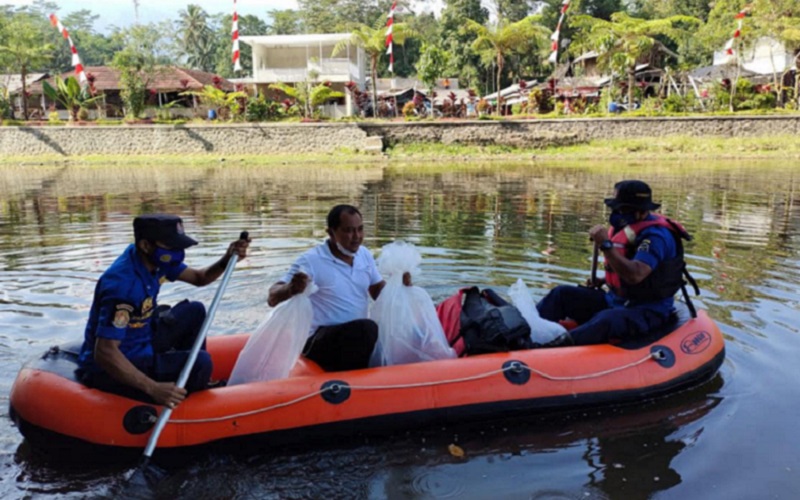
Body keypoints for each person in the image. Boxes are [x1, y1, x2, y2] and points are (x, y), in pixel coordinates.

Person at [76, 214, 249, 409]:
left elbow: (199, 278)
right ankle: (186, 398)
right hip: (120, 363)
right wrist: (152, 388)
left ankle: (190, 380)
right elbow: (105, 352)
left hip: (142, 339)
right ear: (146, 245)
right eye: (172, 247)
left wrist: (227, 259)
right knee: (201, 362)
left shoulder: (155, 261)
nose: (178, 253)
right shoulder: (123, 287)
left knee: (195, 311)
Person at [536, 180, 692, 346]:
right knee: (561, 294)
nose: (617, 213)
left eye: (622, 209)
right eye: (615, 208)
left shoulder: (656, 237)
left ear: (641, 212)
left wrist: (605, 245)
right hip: (616, 300)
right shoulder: (628, 228)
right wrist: (605, 280)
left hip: (647, 311)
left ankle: (548, 350)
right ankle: (524, 331)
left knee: (606, 320)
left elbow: (636, 275)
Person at [268, 204, 409, 372]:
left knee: (381, 329)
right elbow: (272, 297)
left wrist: (398, 287)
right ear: (331, 233)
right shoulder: (312, 260)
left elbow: (377, 290)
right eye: (348, 231)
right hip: (319, 340)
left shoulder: (364, 254)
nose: (356, 237)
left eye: (360, 229)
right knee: (367, 329)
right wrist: (291, 288)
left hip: (354, 336)